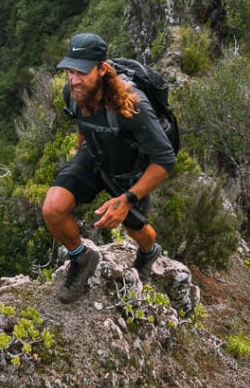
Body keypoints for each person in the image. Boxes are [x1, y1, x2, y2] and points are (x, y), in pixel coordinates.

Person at [42, 32, 176, 304]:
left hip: (128, 172)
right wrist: (79, 153)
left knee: (138, 232)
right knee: (52, 208)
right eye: (69, 71)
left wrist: (127, 200)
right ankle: (82, 257)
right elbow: (81, 120)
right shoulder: (73, 92)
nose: (73, 79)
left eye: (81, 72)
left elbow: (165, 160)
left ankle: (149, 253)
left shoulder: (132, 105)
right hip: (93, 156)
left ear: (102, 70)